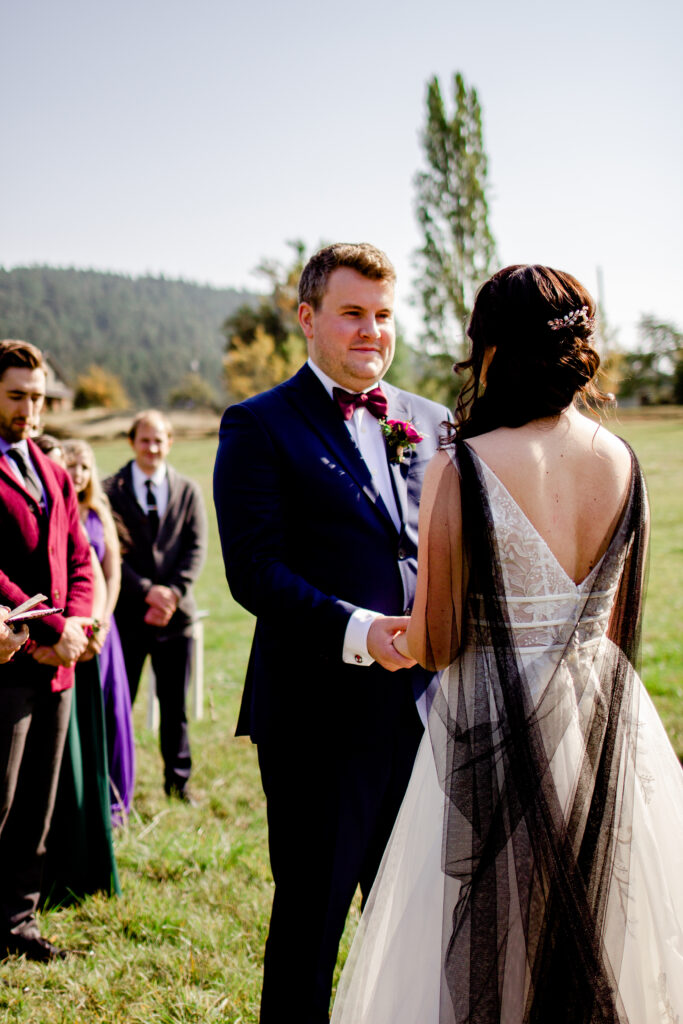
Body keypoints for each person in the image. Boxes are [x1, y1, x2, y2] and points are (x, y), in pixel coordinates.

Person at [330, 266, 683, 1024]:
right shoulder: (623, 463)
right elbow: (612, 616)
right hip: (602, 721)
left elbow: (436, 641)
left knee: (494, 941)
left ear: (490, 351)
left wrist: (387, 639)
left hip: (494, 725)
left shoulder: (462, 468)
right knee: (607, 926)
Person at [213, 242, 451, 1023]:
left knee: (420, 924)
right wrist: (360, 630)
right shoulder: (258, 424)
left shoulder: (432, 421)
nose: (371, 332)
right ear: (308, 318)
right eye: (352, 314)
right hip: (318, 716)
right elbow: (255, 570)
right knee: (311, 923)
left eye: (383, 315)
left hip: (428, 715)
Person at [0, 339, 94, 961]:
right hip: (6, 659)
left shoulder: (54, 471)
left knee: (37, 803)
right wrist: (48, 629)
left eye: (36, 397)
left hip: (58, 666)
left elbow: (81, 557)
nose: (29, 409)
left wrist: (78, 625)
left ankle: (17, 925)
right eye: (16, 396)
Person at [104, 410, 207, 803]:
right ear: (132, 442)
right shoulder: (109, 489)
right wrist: (146, 591)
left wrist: (172, 595)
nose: (152, 448)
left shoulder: (188, 490)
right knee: (118, 705)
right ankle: (112, 785)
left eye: (160, 440)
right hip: (128, 616)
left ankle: (178, 784)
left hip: (175, 619)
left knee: (175, 706)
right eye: (145, 440)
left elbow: (196, 549)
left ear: (170, 443)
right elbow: (109, 551)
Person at [63, 439, 135, 823]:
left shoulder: (98, 511)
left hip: (104, 630)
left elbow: (113, 573)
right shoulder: (55, 509)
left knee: (111, 710)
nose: (78, 474)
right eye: (71, 466)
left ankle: (116, 802)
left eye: (85, 468)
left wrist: (104, 620)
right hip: (69, 629)